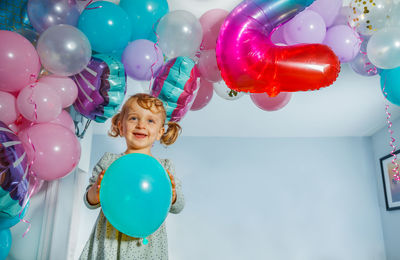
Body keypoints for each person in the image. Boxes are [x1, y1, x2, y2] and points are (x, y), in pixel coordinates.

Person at [80, 93, 185, 260]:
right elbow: (89, 202)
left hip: (147, 245)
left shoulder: (164, 168)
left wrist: (172, 195)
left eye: (150, 121)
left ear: (160, 132)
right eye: (134, 118)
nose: (141, 125)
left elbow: (178, 206)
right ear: (121, 127)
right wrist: (96, 190)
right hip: (110, 242)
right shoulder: (109, 162)